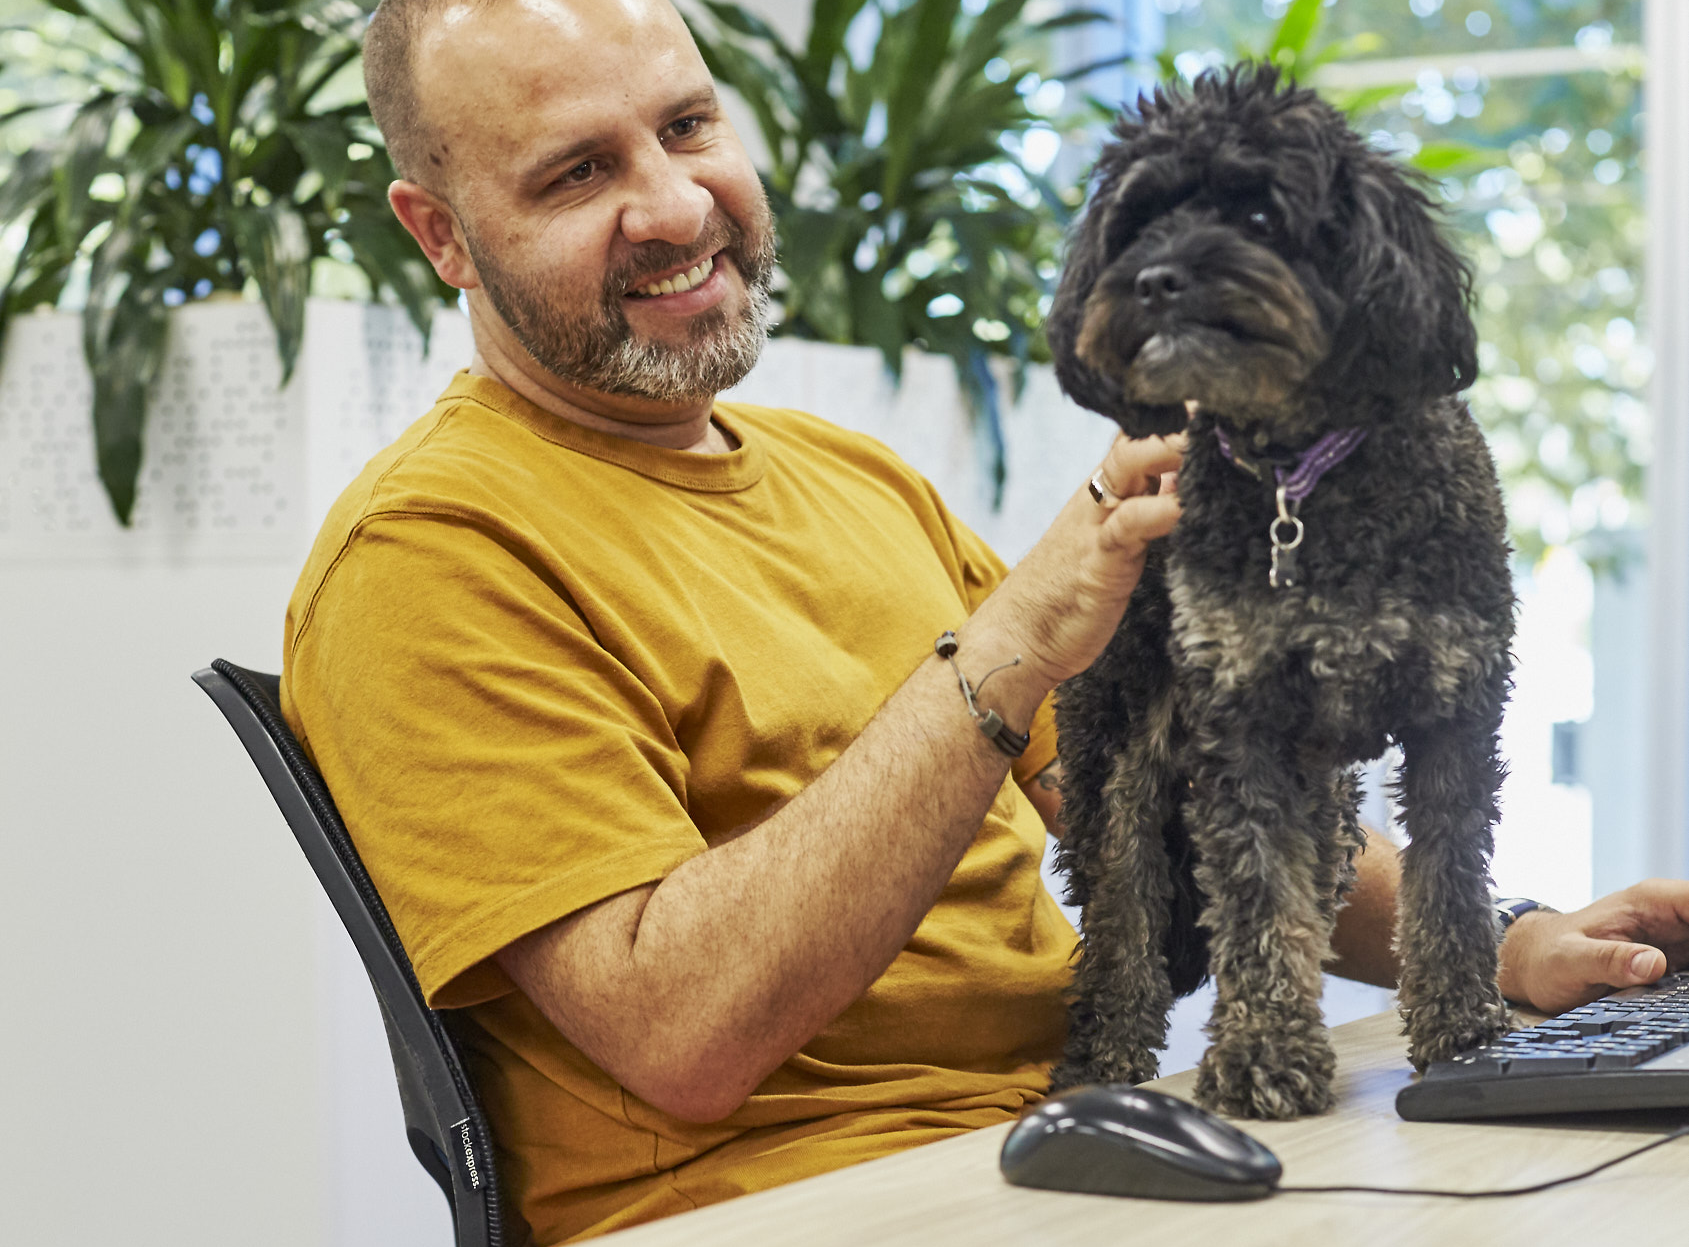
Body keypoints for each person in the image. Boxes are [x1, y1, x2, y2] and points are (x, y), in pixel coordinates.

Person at [280, 0, 1689, 1240]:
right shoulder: (429, 556)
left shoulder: (854, 479)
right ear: (443, 237)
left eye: (687, 125)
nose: (676, 205)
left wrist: (1510, 947)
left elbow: (1167, 790)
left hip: (1082, 1141)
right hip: (810, 1197)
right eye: (579, 171)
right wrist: (1010, 645)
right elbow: (678, 1030)